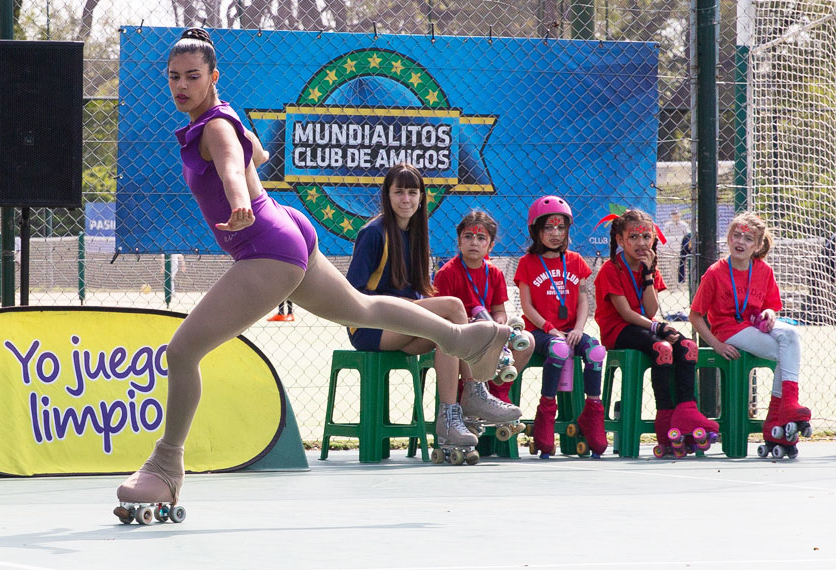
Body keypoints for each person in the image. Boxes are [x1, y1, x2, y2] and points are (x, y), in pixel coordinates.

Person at [114, 29, 518, 524]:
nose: (181, 86)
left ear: (213, 77)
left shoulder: (214, 127)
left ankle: (165, 466)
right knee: (361, 308)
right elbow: (257, 156)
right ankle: (463, 337)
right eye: (174, 77)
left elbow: (233, 169)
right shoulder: (225, 117)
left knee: (181, 352)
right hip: (287, 229)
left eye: (192, 77)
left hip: (265, 246)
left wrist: (238, 201)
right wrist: (243, 178)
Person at [345, 164, 520, 465]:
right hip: (370, 327)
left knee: (450, 332)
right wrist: (403, 306)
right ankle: (474, 393)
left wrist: (416, 308)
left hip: (402, 324)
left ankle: (450, 418)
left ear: (422, 197)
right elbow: (353, 295)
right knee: (453, 307)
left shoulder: (415, 234)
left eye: (413, 192)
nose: (406, 199)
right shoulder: (373, 233)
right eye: (399, 192)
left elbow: (418, 292)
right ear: (387, 195)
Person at [688, 212, 807, 459]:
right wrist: (716, 344)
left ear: (758, 246)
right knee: (784, 353)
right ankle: (781, 413)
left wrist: (769, 313)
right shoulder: (715, 272)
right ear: (729, 238)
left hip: (754, 325)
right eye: (736, 235)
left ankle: (783, 411)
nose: (740, 242)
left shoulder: (764, 270)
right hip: (729, 331)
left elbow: (771, 306)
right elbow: (695, 315)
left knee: (790, 334)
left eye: (748, 238)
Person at [594, 209, 703, 458]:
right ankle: (665, 423)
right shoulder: (611, 269)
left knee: (687, 347)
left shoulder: (649, 268)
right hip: (618, 330)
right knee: (661, 348)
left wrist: (648, 275)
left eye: (646, 236)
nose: (641, 243)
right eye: (633, 237)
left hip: (645, 326)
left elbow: (651, 310)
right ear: (620, 240)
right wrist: (659, 328)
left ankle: (686, 414)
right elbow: (625, 314)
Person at [515, 196, 606, 458]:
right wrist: (548, 327)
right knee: (558, 349)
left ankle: (592, 412)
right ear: (536, 230)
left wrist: (578, 328)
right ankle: (546, 414)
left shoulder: (575, 261)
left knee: (596, 352)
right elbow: (527, 306)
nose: (555, 234)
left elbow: (584, 299)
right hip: (540, 332)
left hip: (571, 330)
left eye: (561, 227)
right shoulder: (527, 263)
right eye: (548, 228)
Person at [432, 208, 529, 442]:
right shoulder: (447, 273)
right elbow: (440, 316)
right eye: (468, 236)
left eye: (481, 238)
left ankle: (495, 393)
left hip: (489, 332)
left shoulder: (494, 273)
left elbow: (499, 311)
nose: (474, 242)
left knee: (528, 342)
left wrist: (499, 323)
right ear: (459, 241)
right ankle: (474, 393)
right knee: (470, 336)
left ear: (490, 245)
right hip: (459, 335)